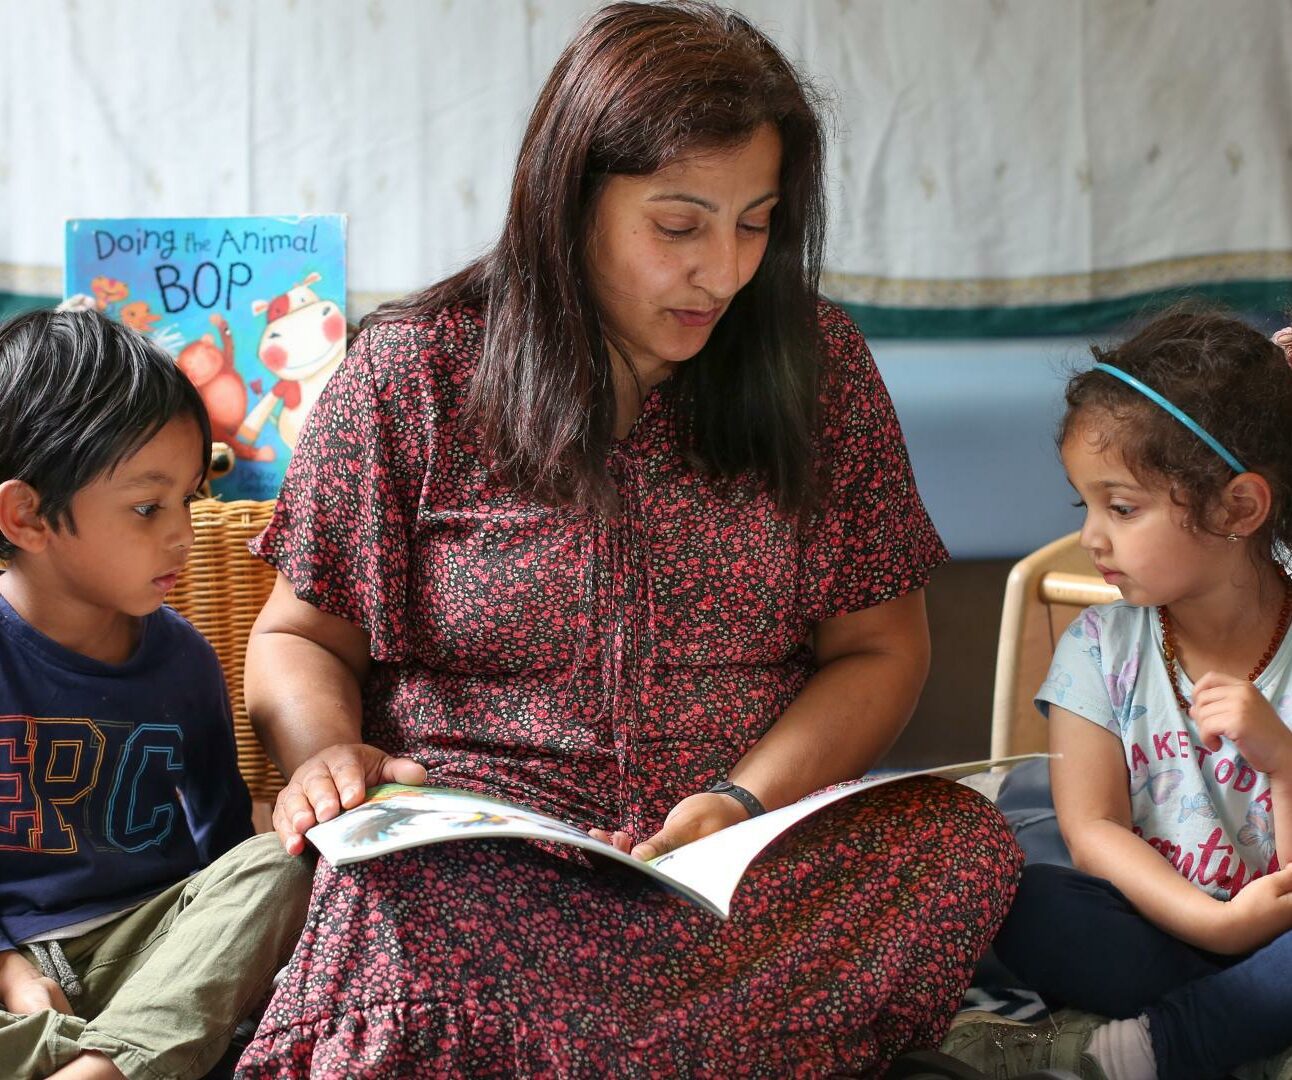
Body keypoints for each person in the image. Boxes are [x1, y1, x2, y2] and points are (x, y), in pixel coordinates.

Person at [233, 3, 1022, 1076]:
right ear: (570, 201)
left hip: (738, 857)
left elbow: (879, 650)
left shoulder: (815, 366)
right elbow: (300, 638)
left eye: (756, 223)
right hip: (487, 861)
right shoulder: (412, 372)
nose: (724, 272)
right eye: (678, 225)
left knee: (956, 849)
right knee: (388, 898)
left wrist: (739, 801)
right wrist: (325, 754)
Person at [942, 310, 1292, 1080]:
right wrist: (1215, 924)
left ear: (1239, 508)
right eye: (1086, 506)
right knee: (1031, 904)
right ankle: (1246, 1030)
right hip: (1161, 920)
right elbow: (1093, 826)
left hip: (1282, 926)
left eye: (1122, 508)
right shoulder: (1097, 648)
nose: (1094, 538)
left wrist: (1283, 762)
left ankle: (1167, 1045)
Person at [0, 308, 313, 1080]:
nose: (184, 531)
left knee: (283, 866)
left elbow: (225, 850)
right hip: (13, 975)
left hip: (156, 954)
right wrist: (7, 966)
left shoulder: (185, 660)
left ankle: (106, 1066)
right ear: (28, 515)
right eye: (149, 507)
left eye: (190, 496)